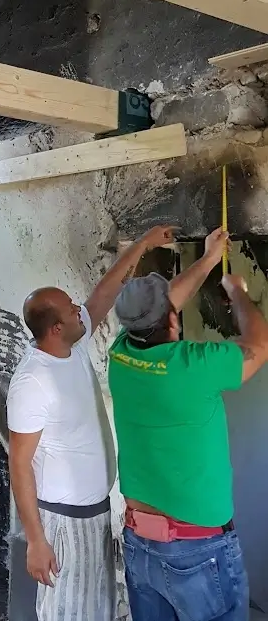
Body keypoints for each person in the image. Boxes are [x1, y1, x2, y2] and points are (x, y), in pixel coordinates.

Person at [6, 224, 177, 621]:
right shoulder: (33, 381)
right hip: (63, 522)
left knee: (97, 610)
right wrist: (36, 541)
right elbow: (19, 463)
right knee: (67, 612)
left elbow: (103, 293)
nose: (78, 309)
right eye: (71, 309)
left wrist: (143, 244)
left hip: (95, 513)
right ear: (55, 329)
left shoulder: (74, 343)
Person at [109, 227, 268, 621]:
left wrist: (210, 258)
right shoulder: (194, 365)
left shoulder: (121, 354)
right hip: (197, 552)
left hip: (140, 545)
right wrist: (237, 292)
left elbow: (161, 311)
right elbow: (259, 345)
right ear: (173, 320)